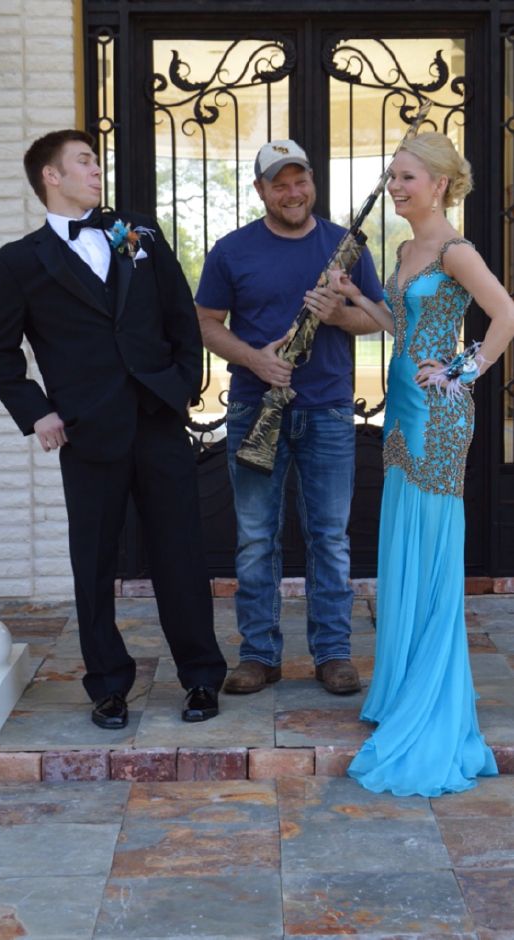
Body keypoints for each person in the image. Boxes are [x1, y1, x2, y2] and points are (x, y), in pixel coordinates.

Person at [0, 129, 227, 729]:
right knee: (93, 563)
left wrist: (181, 386)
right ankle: (108, 685)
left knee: (181, 556)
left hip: (157, 420)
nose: (97, 170)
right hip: (87, 431)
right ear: (52, 176)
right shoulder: (18, 262)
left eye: (97, 160)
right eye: (84, 161)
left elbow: (179, 313)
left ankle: (200, 678)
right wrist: (36, 411)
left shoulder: (138, 232)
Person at [332, 132, 514, 796]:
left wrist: (464, 371)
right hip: (403, 411)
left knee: (432, 548)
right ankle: (404, 682)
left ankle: (432, 700)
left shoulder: (457, 250)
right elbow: (401, 327)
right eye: (392, 176)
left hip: (440, 417)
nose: (395, 186)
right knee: (404, 540)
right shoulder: (406, 249)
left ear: (439, 184)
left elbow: (505, 314)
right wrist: (356, 295)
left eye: (406, 177)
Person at [195, 139, 386, 696]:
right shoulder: (232, 250)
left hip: (327, 410)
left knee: (329, 538)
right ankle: (259, 655)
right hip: (256, 406)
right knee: (256, 538)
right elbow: (206, 322)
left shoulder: (344, 247)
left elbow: (377, 318)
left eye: (299, 180)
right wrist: (257, 360)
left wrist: (338, 313)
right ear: (261, 190)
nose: (292, 191)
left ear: (312, 185)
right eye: (279, 182)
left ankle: (332, 654)